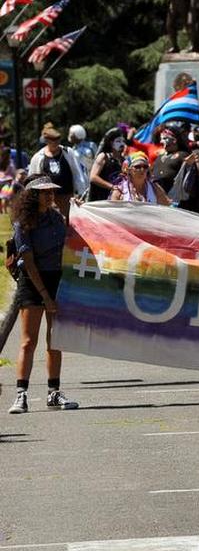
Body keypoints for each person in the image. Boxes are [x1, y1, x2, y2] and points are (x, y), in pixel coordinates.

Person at [7, 176, 78, 414]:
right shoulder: (23, 223)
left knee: (55, 339)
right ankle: (21, 395)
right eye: (44, 192)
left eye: (51, 192)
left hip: (56, 279)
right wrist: (45, 296)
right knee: (29, 341)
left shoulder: (57, 218)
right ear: (32, 195)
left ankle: (54, 392)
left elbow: (71, 242)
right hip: (33, 281)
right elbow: (27, 262)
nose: (50, 196)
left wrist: (78, 212)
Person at [28, 123, 85, 219]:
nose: (55, 143)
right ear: (47, 141)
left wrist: (80, 193)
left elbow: (77, 174)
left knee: (69, 223)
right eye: (52, 141)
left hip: (68, 196)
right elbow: (32, 179)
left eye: (57, 140)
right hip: (47, 199)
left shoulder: (68, 152)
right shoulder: (38, 157)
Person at [87, 128, 127, 202]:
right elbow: (93, 177)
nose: (122, 144)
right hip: (100, 197)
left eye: (123, 141)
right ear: (111, 143)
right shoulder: (104, 157)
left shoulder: (123, 160)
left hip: (116, 198)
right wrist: (112, 187)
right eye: (118, 141)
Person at [151, 127, 189, 193]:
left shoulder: (183, 155)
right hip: (156, 196)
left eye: (165, 138)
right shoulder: (160, 156)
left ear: (174, 140)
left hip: (174, 197)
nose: (161, 141)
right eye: (161, 139)